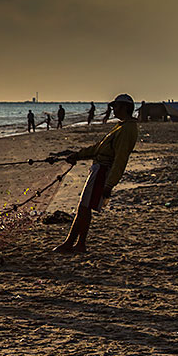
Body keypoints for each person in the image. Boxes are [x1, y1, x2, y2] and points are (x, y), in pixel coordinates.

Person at [54, 94, 138, 254]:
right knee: (83, 207)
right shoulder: (121, 126)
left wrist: (109, 184)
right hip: (98, 170)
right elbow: (99, 148)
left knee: (85, 208)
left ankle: (80, 244)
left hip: (103, 172)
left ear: (125, 108)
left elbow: (121, 159)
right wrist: (77, 155)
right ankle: (70, 243)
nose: (113, 109)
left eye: (116, 106)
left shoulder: (127, 129)